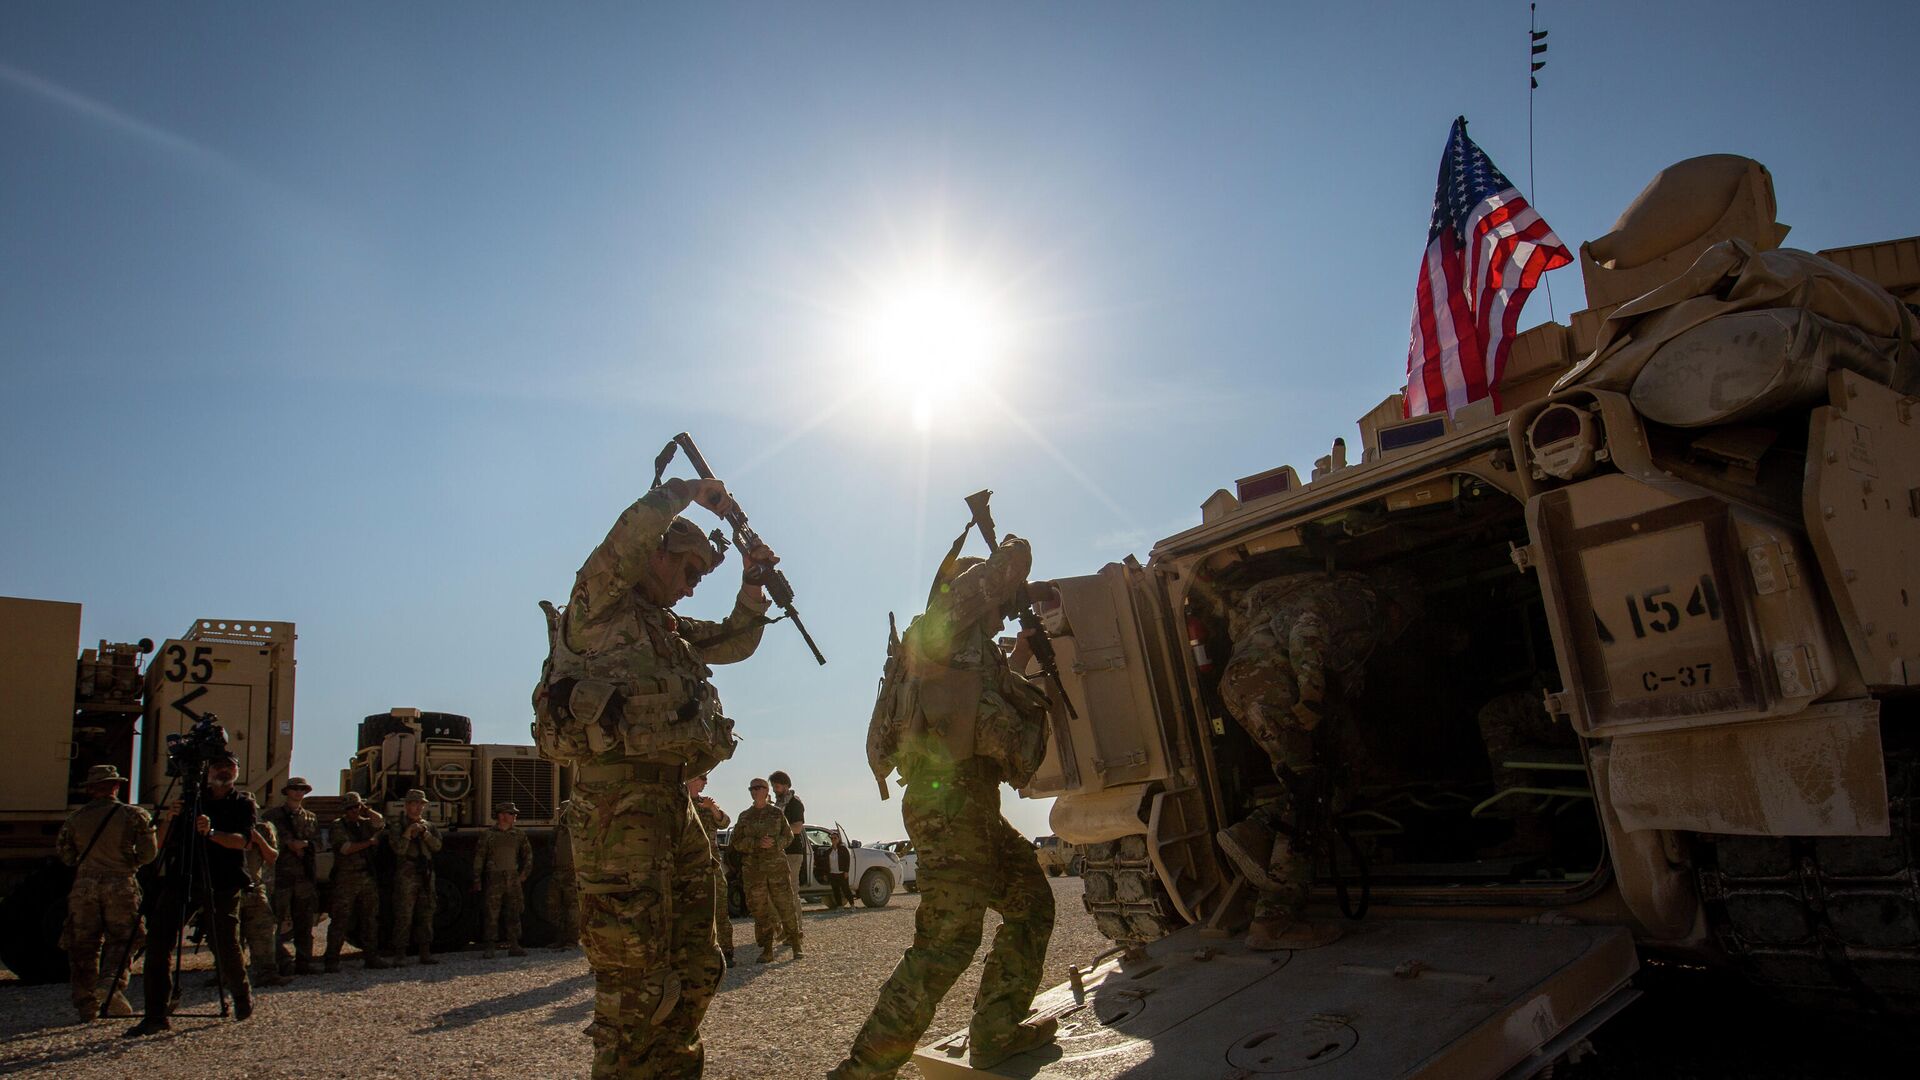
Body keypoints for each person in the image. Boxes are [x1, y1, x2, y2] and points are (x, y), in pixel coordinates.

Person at [531, 475, 776, 1077]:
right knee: (635, 980)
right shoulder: (598, 609)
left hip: (672, 800)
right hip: (617, 806)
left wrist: (751, 584)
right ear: (658, 555)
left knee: (698, 963)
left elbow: (735, 643)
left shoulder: (664, 628)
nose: (692, 589)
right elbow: (622, 543)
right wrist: (687, 493)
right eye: (690, 572)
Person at [832, 535, 1058, 1078]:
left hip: (969, 803)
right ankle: (863, 1070)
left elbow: (988, 706)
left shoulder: (964, 651)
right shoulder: (941, 620)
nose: (1001, 618)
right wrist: (1013, 550)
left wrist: (1021, 655)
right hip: (950, 804)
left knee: (1031, 903)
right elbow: (1009, 566)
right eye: (999, 607)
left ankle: (997, 1032)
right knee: (947, 942)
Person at [1212, 570, 1415, 951]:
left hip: (1245, 683)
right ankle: (1274, 921)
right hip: (1272, 682)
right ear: (1396, 606)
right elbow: (1308, 628)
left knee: (1304, 783)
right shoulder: (1360, 601)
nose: (1399, 630)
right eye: (1404, 620)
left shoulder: (1346, 608)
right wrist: (1310, 694)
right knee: (1310, 796)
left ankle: (1257, 828)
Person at [127, 748, 257, 1036]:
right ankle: (156, 1014)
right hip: (182, 877)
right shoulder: (189, 801)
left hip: (222, 880)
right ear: (207, 771)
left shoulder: (242, 803)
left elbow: (243, 842)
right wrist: (170, 818)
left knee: (226, 943)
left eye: (228, 766)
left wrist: (211, 834)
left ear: (235, 771)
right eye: (217, 766)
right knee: (159, 942)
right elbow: (158, 845)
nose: (223, 771)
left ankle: (241, 997)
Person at [55, 764, 156, 1023]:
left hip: (84, 887)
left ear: (90, 789)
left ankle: (86, 1005)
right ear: (116, 786)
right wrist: (128, 859)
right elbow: (148, 854)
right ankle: (111, 982)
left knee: (83, 945)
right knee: (126, 937)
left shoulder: (74, 819)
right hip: (120, 883)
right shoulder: (134, 815)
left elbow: (66, 857)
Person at [731, 778, 801, 963]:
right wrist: (756, 844)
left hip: (776, 868)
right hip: (754, 871)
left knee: (785, 906)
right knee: (760, 911)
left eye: (758, 788)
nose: (754, 791)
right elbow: (736, 842)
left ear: (766, 790)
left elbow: (789, 836)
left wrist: (776, 843)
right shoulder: (744, 816)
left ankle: (796, 945)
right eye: (751, 788)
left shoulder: (777, 814)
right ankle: (767, 949)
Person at [322, 791, 388, 972]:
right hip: (346, 879)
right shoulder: (338, 826)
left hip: (366, 877)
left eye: (356, 807)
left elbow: (380, 822)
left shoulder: (364, 824)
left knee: (370, 919)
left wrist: (367, 810)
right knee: (341, 920)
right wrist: (369, 843)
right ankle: (331, 960)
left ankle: (371, 957)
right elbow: (345, 848)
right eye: (350, 808)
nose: (353, 811)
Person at [260, 777, 320, 976]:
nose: (298, 792)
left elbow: (318, 842)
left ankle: (304, 963)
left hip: (303, 876)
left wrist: (303, 846)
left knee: (304, 923)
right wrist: (289, 844)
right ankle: (277, 962)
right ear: (287, 792)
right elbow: (268, 840)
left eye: (302, 789)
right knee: (273, 922)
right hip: (281, 875)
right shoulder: (273, 816)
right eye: (294, 789)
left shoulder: (311, 817)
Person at [385, 788, 442, 965]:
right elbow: (399, 849)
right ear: (407, 805)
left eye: (420, 804)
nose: (417, 808)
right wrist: (408, 833)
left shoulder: (429, 826)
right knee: (404, 913)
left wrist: (425, 834)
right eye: (413, 804)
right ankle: (400, 953)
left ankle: (425, 952)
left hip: (425, 872)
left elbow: (437, 846)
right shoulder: (397, 826)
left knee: (426, 912)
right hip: (407, 873)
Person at [473, 800, 533, 958]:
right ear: (501, 816)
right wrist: (477, 879)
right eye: (511, 814)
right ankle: (490, 946)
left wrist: (523, 874)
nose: (514, 817)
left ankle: (514, 944)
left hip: (512, 877)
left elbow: (528, 856)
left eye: (514, 814)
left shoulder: (519, 835)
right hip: (494, 878)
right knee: (491, 912)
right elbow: (480, 858)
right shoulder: (488, 835)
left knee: (514, 911)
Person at [687, 773, 734, 967]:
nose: (705, 782)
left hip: (711, 865)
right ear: (689, 779)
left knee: (720, 910)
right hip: (688, 867)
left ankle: (727, 953)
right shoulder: (679, 802)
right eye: (702, 778)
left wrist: (712, 808)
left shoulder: (706, 805)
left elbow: (725, 822)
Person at [237, 817, 288, 986]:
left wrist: (258, 839)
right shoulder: (223, 827)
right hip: (229, 889)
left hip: (254, 888)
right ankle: (229, 975)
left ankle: (266, 973)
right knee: (230, 936)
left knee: (264, 933)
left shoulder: (261, 829)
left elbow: (272, 856)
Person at [768, 769, 806, 911]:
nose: (774, 790)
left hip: (792, 852)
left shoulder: (794, 803)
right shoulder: (777, 805)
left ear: (786, 786)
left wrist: (777, 833)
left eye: (776, 787)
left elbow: (797, 827)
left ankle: (796, 929)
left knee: (791, 891)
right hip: (778, 851)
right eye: (773, 787)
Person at [550, 799, 580, 950]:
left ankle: (572, 941)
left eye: (564, 811)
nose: (561, 814)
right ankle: (560, 939)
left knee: (572, 908)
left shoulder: (578, 829)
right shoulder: (559, 830)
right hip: (558, 872)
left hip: (572, 872)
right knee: (556, 907)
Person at [825, 832, 855, 910]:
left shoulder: (843, 849)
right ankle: (840, 906)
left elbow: (847, 860)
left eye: (835, 838)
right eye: (832, 838)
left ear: (839, 839)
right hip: (832, 873)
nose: (833, 840)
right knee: (836, 891)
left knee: (846, 890)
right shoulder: (829, 851)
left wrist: (846, 871)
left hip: (842, 873)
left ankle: (852, 905)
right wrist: (826, 874)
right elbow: (826, 862)